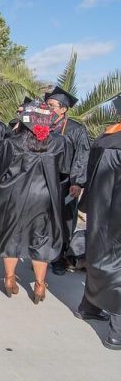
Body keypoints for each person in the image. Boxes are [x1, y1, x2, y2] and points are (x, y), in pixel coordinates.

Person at [0, 102, 70, 303]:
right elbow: (64, 171)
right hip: (45, 197)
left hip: (15, 196)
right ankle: (39, 285)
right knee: (42, 238)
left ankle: (10, 279)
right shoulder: (59, 142)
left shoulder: (13, 142)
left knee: (12, 236)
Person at [75, 101, 121, 350]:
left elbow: (91, 178)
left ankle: (88, 306)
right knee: (117, 261)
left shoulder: (105, 139)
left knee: (98, 253)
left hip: (99, 210)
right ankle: (117, 331)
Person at [45, 86, 90, 276]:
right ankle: (44, 254)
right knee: (45, 219)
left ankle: (60, 258)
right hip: (44, 181)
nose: (48, 109)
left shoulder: (76, 129)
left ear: (63, 109)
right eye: (47, 105)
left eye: (52, 106)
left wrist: (77, 182)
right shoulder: (42, 127)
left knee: (64, 221)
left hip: (65, 183)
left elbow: (82, 156)